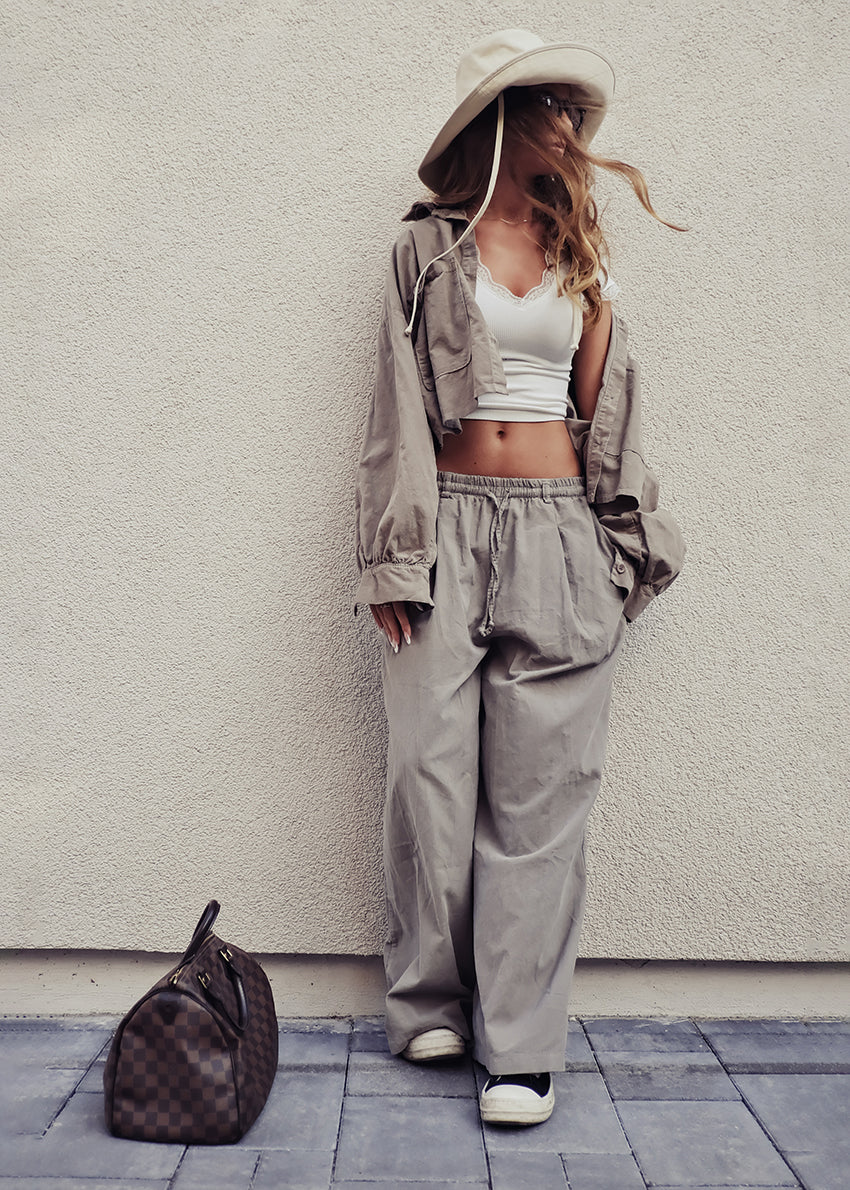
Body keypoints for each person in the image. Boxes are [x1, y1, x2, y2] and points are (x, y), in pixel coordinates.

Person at [355, 29, 685, 1126]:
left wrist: (618, 555)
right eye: (549, 106)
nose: (569, 127)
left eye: (572, 110)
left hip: (558, 536)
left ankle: (521, 1049)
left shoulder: (578, 251)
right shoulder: (423, 250)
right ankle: (429, 998)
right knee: (429, 776)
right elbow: (394, 413)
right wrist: (394, 554)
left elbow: (606, 412)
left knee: (541, 802)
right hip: (445, 526)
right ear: (500, 121)